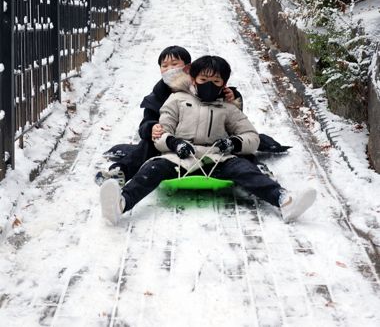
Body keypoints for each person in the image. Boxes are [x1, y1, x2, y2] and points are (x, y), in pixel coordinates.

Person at [100, 55, 316, 225]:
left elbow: (251, 136)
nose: (209, 85)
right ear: (193, 79)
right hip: (179, 157)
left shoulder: (228, 107)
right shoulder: (176, 100)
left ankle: (284, 201)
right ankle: (121, 204)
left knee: (246, 170)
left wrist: (234, 144)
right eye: (203, 80)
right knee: (152, 170)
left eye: (216, 81)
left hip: (217, 159)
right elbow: (161, 133)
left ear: (224, 84)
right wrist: (174, 143)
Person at [96, 46, 291, 186]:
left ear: (188, 68)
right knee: (147, 146)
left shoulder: (202, 84)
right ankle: (122, 171)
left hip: (212, 142)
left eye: (175, 63)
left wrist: (234, 98)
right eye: (165, 65)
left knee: (237, 146)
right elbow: (146, 122)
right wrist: (151, 128)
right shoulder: (158, 95)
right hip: (172, 142)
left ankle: (257, 171)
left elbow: (233, 117)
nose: (170, 68)